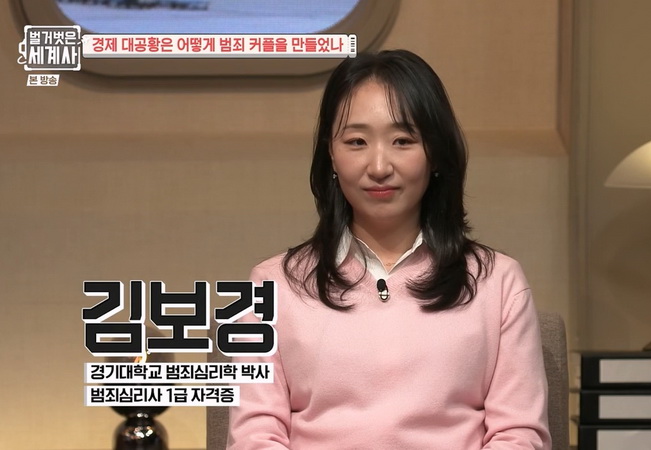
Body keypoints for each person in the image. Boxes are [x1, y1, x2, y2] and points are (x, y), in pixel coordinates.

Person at [227, 49, 551, 449]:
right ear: (331, 153)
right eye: (357, 141)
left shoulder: (498, 282)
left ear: (435, 152)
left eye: (402, 140)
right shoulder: (272, 286)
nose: (379, 166)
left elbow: (518, 435)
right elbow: (255, 436)